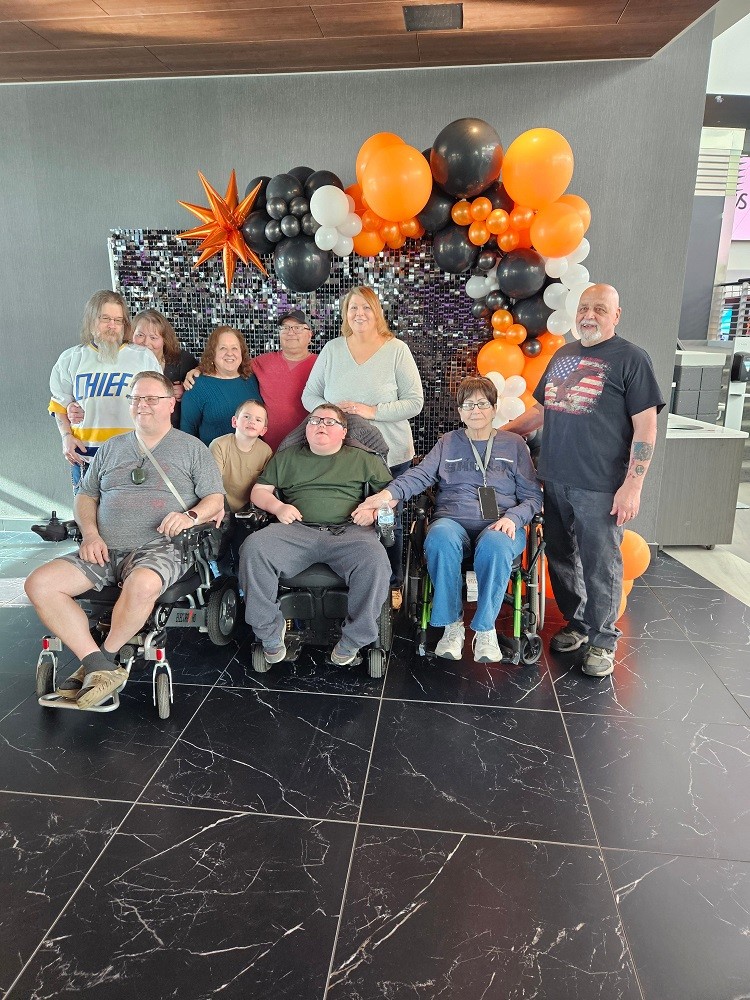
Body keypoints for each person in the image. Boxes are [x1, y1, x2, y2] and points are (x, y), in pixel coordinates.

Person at [25, 372, 225, 709]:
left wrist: (190, 516)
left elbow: (215, 500)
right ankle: (98, 666)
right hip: (103, 546)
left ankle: (105, 658)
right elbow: (85, 496)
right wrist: (90, 533)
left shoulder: (192, 448)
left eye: (151, 399)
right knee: (39, 584)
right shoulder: (111, 448)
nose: (142, 405)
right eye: (135, 398)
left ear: (170, 403)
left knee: (144, 584)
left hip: (162, 548)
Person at [503, 283, 665, 678]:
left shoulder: (631, 358)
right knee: (561, 557)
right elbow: (540, 411)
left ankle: (603, 639)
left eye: (599, 308)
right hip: (553, 479)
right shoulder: (564, 354)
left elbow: (646, 428)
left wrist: (633, 485)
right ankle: (577, 625)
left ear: (616, 315)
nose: (589, 315)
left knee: (600, 563)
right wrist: (498, 436)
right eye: (584, 308)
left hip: (600, 486)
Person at [355, 376, 542, 663]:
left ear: (494, 408)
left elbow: (533, 496)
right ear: (459, 411)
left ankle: (485, 629)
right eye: (468, 405)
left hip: (500, 523)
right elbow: (419, 476)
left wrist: (515, 519)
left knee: (497, 543)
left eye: (482, 403)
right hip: (452, 521)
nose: (475, 410)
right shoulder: (449, 442)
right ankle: (453, 626)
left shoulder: (514, 444)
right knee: (439, 536)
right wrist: (386, 495)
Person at [238, 404, 392, 666]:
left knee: (376, 560)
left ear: (343, 432)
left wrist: (375, 511)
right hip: (297, 530)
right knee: (254, 547)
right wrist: (278, 506)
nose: (321, 425)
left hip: (349, 532)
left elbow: (391, 496)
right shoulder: (287, 457)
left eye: (330, 422)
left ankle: (354, 640)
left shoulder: (364, 458)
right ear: (306, 429)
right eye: (315, 420)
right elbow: (259, 491)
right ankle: (269, 633)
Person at [301, 286, 423, 606]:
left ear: (377, 312)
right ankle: (354, 580)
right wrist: (331, 414)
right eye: (353, 308)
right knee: (346, 517)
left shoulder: (396, 350)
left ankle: (391, 583)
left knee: (387, 520)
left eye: (367, 308)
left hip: (392, 455)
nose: (359, 314)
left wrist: (372, 412)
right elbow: (309, 396)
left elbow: (415, 403)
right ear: (345, 314)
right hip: (344, 457)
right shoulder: (332, 350)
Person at [49, 290, 161, 488]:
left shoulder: (143, 358)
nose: (112, 326)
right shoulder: (71, 359)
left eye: (118, 320)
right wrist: (66, 437)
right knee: (86, 518)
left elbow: (158, 405)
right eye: (105, 319)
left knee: (131, 518)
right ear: (92, 321)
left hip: (133, 461)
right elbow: (59, 404)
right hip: (86, 460)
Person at [179, 326, 262, 445]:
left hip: (253, 459)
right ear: (212, 353)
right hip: (212, 460)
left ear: (242, 353)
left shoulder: (251, 379)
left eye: (234, 348)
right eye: (223, 348)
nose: (230, 353)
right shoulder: (197, 386)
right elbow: (187, 432)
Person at [251, 310, 318, 451]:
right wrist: (200, 370)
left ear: (309, 335)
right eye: (285, 328)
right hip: (267, 450)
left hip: (308, 449)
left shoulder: (321, 364)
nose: (290, 332)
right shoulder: (263, 362)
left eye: (298, 328)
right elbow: (229, 366)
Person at [130, 310, 198, 426]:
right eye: (140, 335)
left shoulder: (182, 360)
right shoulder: (122, 362)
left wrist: (187, 392)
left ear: (164, 340)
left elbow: (205, 377)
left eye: (153, 337)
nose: (146, 342)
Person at [209, 399, 272, 513]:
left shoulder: (266, 451)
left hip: (252, 508)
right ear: (234, 421)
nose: (252, 421)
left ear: (263, 430)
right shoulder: (219, 445)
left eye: (258, 420)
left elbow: (264, 487)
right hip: (221, 504)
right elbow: (213, 484)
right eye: (247, 417)